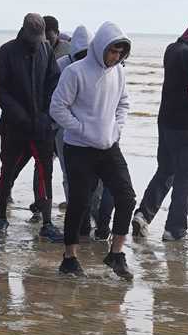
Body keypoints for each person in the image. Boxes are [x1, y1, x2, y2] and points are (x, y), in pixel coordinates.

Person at [49, 22, 137, 279]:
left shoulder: (119, 71)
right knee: (79, 203)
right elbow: (57, 108)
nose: (116, 57)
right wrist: (81, 129)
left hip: (109, 146)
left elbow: (123, 103)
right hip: (79, 147)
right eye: (113, 51)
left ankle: (116, 253)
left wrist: (116, 128)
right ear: (100, 48)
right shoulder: (75, 72)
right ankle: (70, 258)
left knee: (127, 196)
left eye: (121, 53)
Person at [133, 16, 188, 241]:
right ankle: (175, 229)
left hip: (165, 121)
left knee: (166, 170)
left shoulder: (172, 49)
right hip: (186, 126)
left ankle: (143, 215)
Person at [0, 13, 61, 240]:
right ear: (22, 31)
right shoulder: (7, 51)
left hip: (41, 127)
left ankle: (47, 222)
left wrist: (46, 114)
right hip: (14, 126)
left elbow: (54, 83)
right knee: (8, 169)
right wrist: (18, 114)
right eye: (33, 38)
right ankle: (2, 215)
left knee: (44, 173)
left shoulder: (46, 50)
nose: (35, 42)